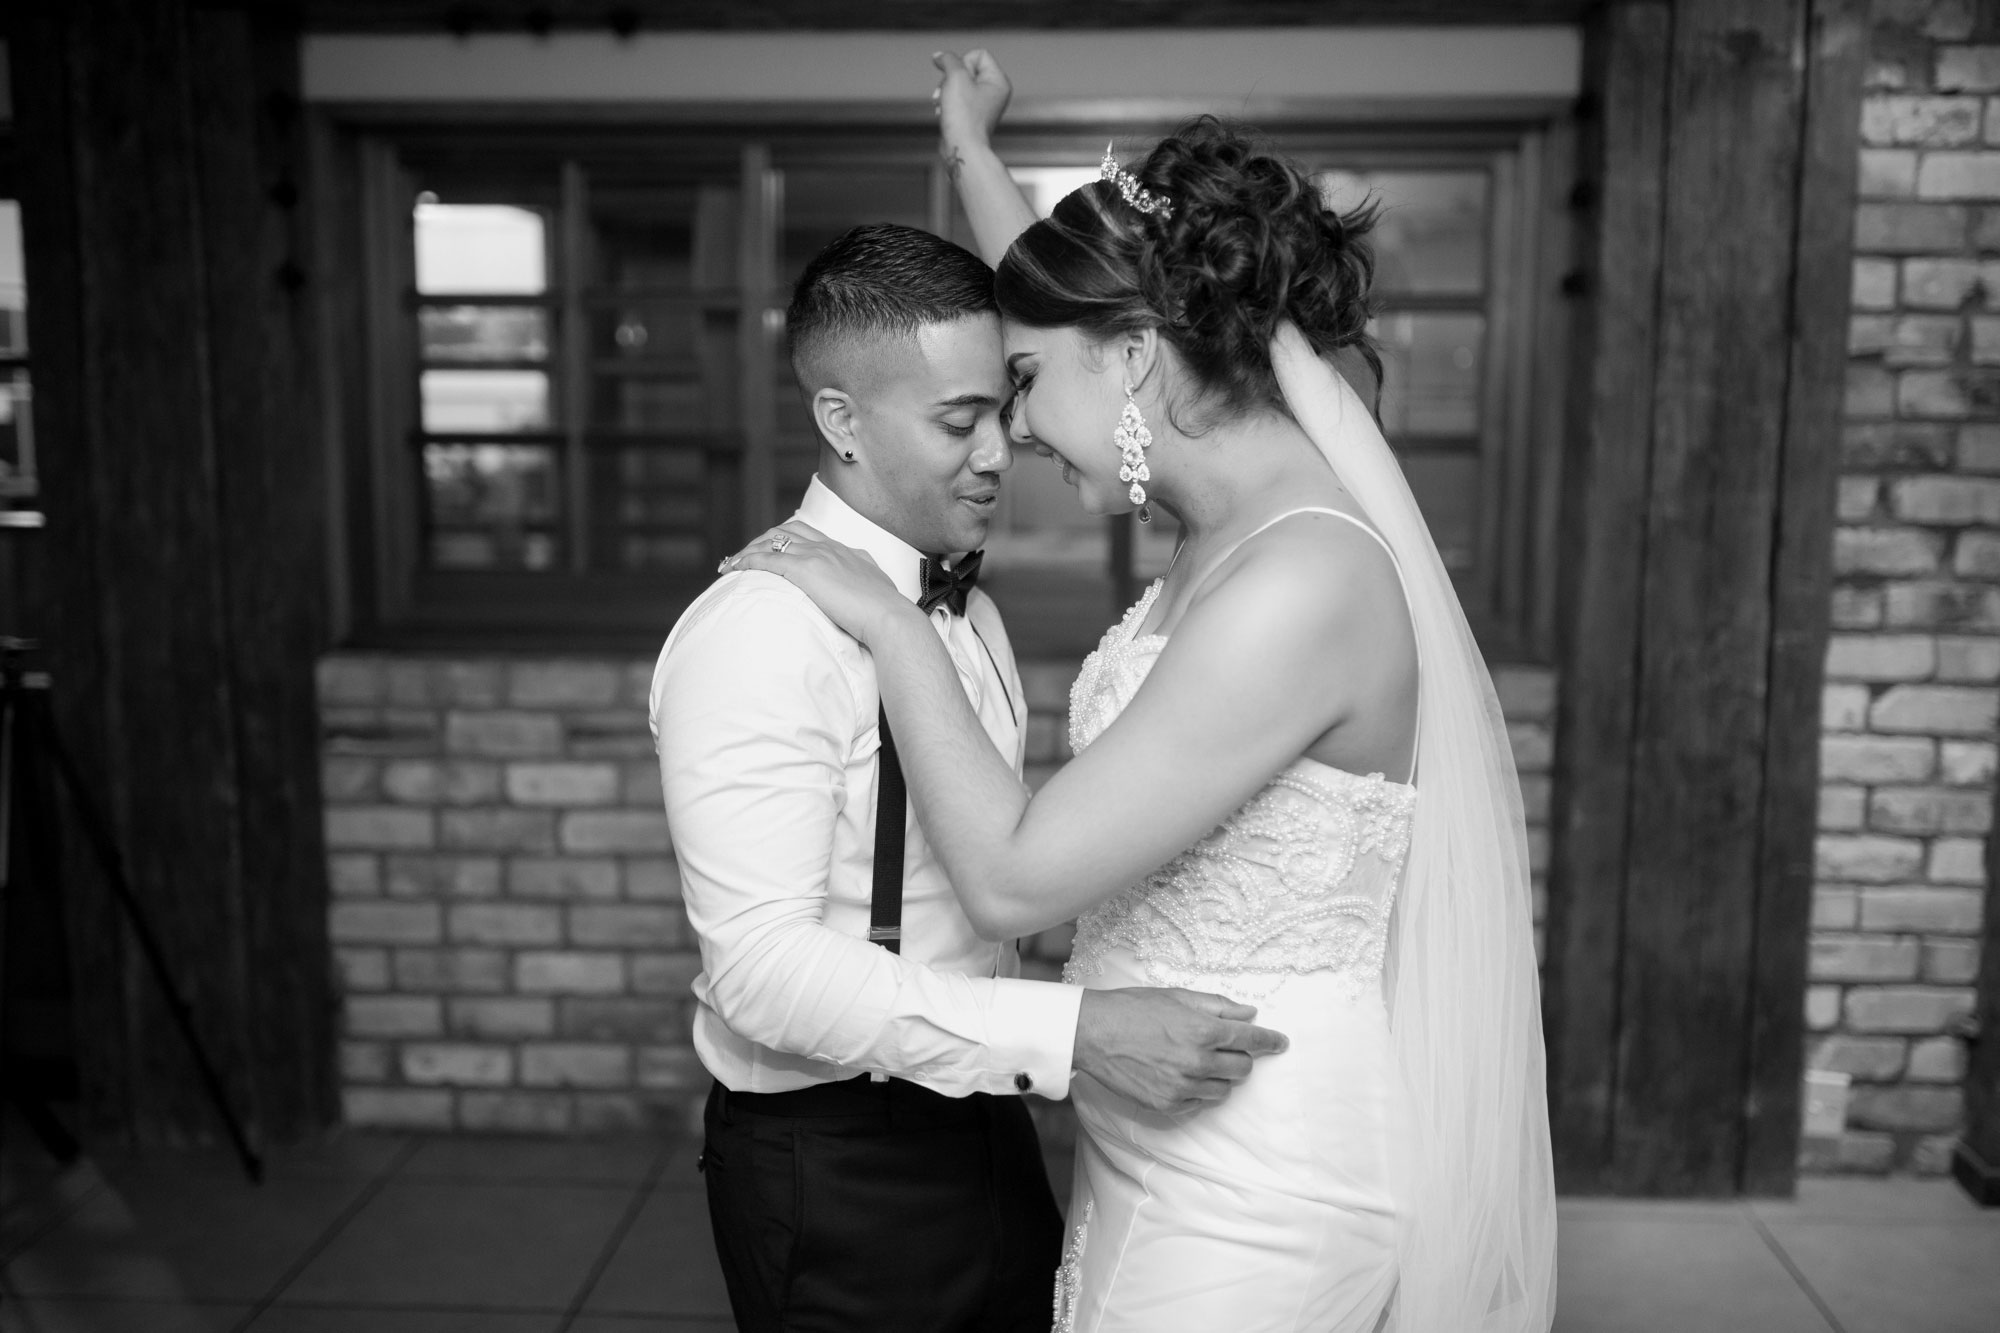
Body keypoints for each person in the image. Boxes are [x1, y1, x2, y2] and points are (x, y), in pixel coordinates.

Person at [720, 53, 1558, 1333]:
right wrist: (970, 150)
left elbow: (1006, 880)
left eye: (1020, 391)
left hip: (1258, 1160)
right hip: (1158, 1127)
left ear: (1134, 351)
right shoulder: (1219, 491)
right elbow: (1066, 316)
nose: (1013, 434)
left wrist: (887, 621)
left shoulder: (1300, 582)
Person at [651, 221, 1289, 1333]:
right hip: (835, 1161)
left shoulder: (970, 611)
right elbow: (756, 972)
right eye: (959, 420)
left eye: (1003, 406)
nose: (1000, 450)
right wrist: (1075, 1033)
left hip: (988, 1116)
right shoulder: (758, 632)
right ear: (838, 420)